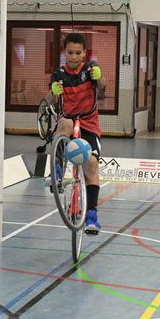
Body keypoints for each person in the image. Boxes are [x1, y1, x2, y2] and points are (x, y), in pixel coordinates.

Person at [47, 33, 105, 235]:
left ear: (84, 53)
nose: (73, 57)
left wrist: (100, 78)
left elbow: (103, 91)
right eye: (70, 52)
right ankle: (56, 169)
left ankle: (91, 214)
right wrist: (54, 92)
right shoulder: (59, 74)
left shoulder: (90, 69)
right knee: (64, 123)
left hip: (89, 123)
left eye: (77, 53)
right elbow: (51, 102)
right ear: (64, 52)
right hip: (69, 120)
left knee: (91, 165)